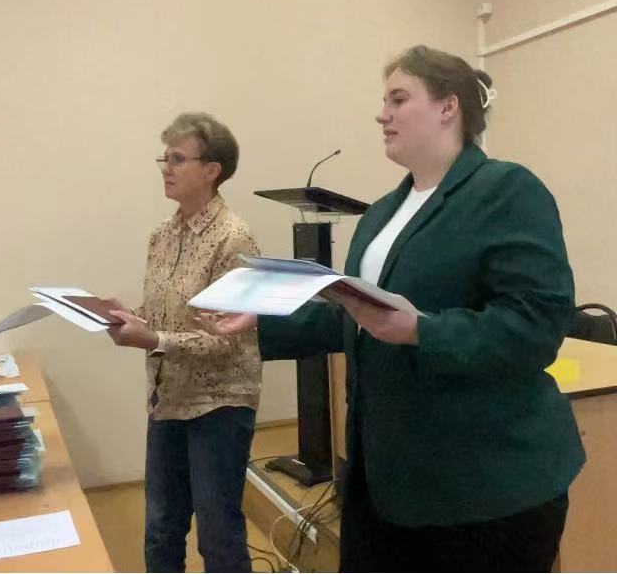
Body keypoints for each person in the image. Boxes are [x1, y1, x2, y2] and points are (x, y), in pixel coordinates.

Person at [201, 46, 585, 572]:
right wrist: (257, 324)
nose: (382, 115)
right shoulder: (382, 213)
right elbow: (357, 316)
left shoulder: (506, 190)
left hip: (483, 486)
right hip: (384, 479)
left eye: (398, 99)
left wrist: (422, 330)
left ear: (448, 106)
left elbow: (537, 325)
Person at [105, 112, 261, 573]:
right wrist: (128, 318)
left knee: (218, 535)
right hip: (167, 399)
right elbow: (166, 314)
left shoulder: (234, 238)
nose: (166, 168)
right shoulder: (162, 235)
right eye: (164, 158)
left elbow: (228, 342)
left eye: (177, 159)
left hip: (219, 405)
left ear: (211, 170)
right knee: (161, 529)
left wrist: (153, 338)